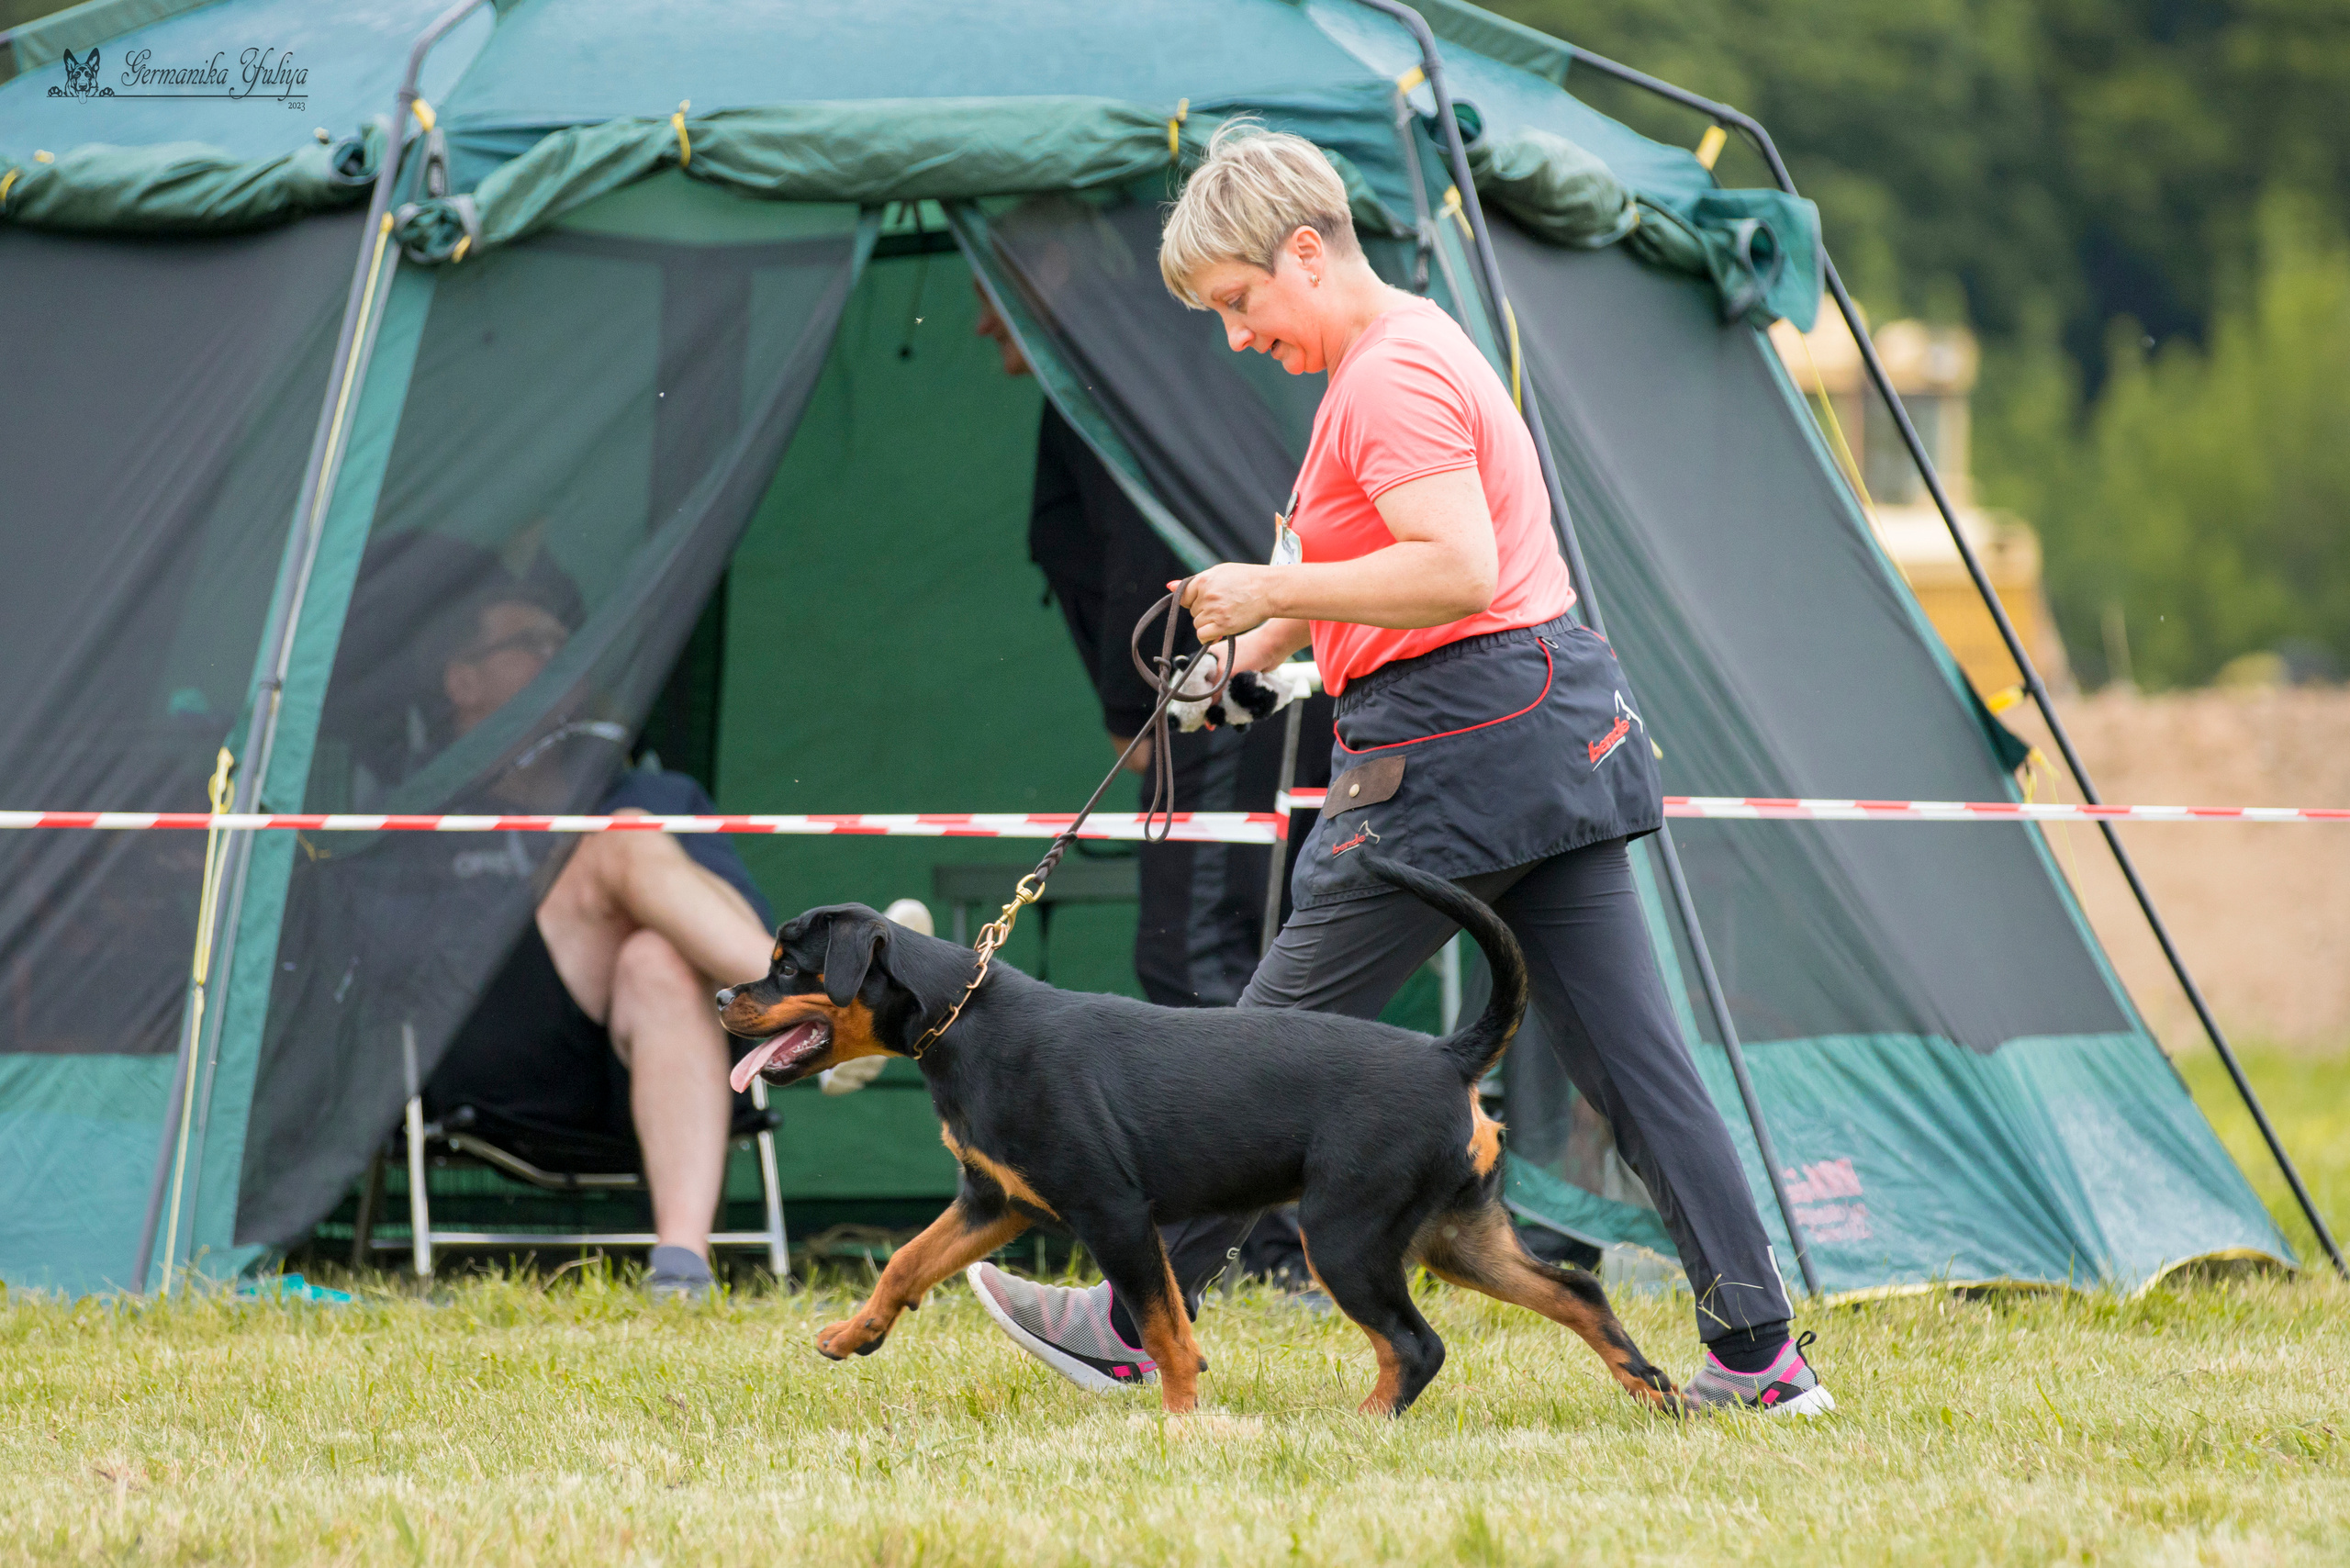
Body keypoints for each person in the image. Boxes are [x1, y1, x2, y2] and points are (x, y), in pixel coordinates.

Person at [968, 125, 1830, 1415]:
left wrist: (1272, 589)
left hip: (1454, 750)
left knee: (1246, 1062)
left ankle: (1123, 1326)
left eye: (1241, 301)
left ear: (1305, 253)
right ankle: (1759, 1358)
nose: (1237, 336)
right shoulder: (1412, 347)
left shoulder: (1387, 378)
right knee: (1638, 1068)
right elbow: (1385, 575)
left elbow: (1455, 569)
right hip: (1545, 733)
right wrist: (1246, 658)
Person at [397, 554, 891, 1300]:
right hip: (495, 1056)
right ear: (461, 681)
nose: (560, 658)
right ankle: (834, 1009)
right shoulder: (423, 807)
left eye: (566, 643)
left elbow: (733, 930)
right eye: (529, 643)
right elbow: (401, 959)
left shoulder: (656, 791)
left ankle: (681, 1268)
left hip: (658, 1058)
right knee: (623, 839)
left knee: (659, 954)